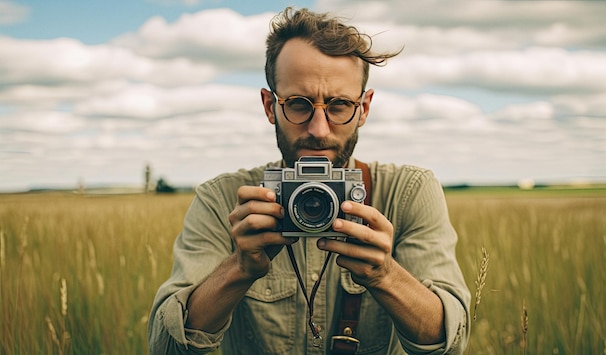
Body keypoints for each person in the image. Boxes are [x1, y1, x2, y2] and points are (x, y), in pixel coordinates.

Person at [148, 7, 470, 355]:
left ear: (364, 109)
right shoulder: (222, 198)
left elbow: (450, 345)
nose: (319, 129)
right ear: (270, 106)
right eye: (299, 105)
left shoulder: (407, 193)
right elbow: (166, 347)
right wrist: (238, 270)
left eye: (339, 105)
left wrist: (385, 275)